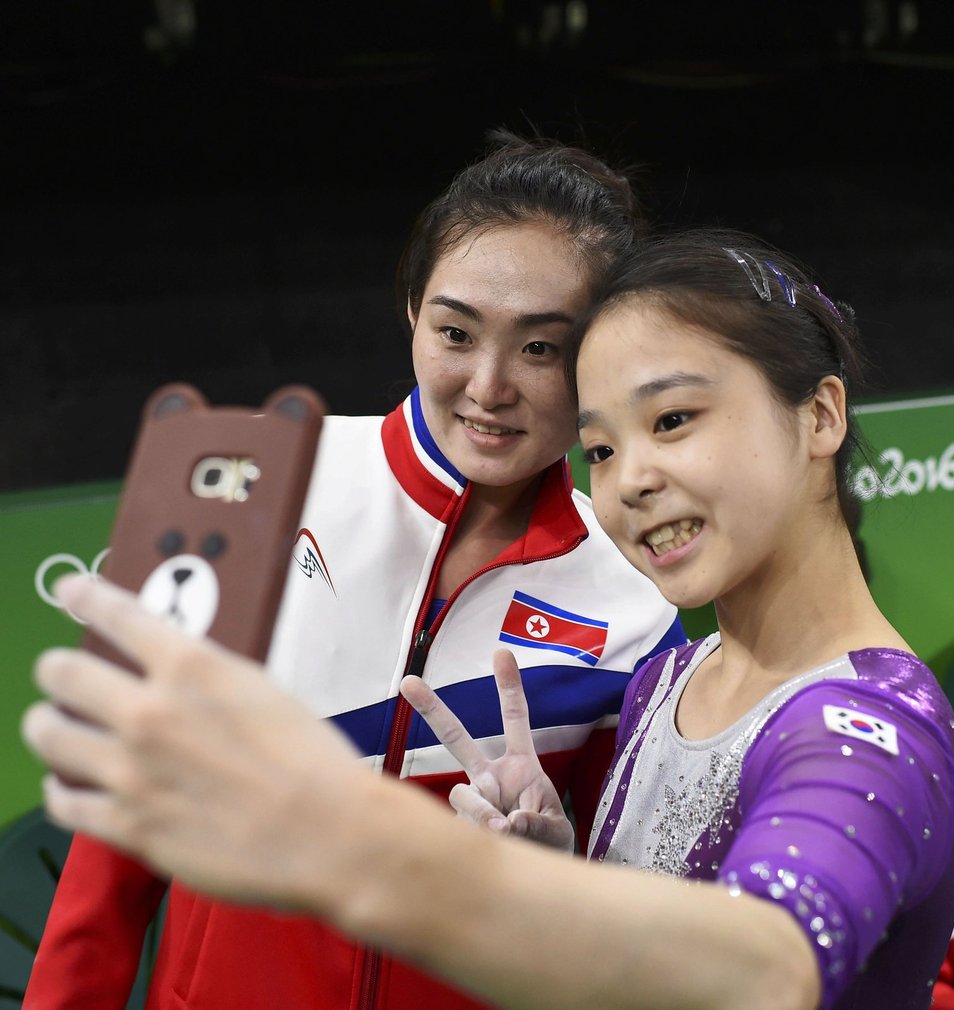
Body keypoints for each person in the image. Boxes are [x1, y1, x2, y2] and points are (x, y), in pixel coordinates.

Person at [23, 227, 954, 1010]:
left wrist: (374, 853)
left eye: (674, 419)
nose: (633, 477)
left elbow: (768, 965)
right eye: (600, 447)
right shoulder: (674, 681)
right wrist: (561, 870)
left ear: (820, 417)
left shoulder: (870, 731)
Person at [22, 133, 684, 1010]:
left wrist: (556, 877)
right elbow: (115, 835)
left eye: (541, 350)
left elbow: (638, 925)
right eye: (456, 331)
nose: (487, 386)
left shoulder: (636, 605)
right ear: (411, 309)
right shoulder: (254, 480)